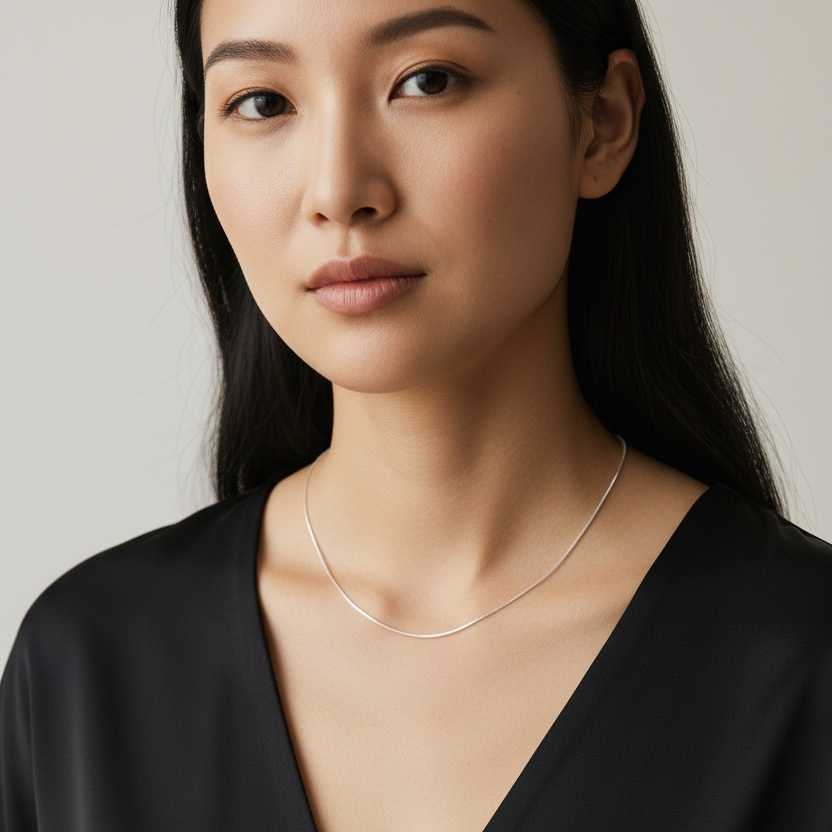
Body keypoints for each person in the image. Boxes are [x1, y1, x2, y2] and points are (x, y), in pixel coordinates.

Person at [1, 0, 830, 829]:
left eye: (427, 81)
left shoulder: (801, 660)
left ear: (602, 124)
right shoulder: (87, 668)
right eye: (263, 102)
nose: (338, 191)